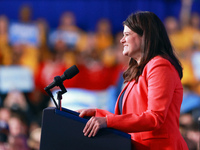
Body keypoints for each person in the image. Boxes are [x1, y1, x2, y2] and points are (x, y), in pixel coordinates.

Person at [77, 11, 189, 150]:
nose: (121, 40)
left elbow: (154, 117)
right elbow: (129, 117)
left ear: (145, 36)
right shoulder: (138, 70)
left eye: (127, 35)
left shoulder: (160, 65)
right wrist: (97, 113)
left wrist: (107, 121)